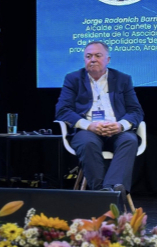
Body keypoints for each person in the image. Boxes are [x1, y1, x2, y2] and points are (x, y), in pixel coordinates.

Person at [55, 41, 144, 200]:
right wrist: (89, 126)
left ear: (108, 59)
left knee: (129, 140)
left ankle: (108, 192)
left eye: (98, 55)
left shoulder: (122, 79)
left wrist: (120, 125)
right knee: (88, 143)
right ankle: (104, 195)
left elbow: (136, 111)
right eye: (88, 56)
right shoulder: (73, 79)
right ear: (84, 60)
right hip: (87, 131)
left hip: (116, 129)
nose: (93, 59)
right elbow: (62, 110)